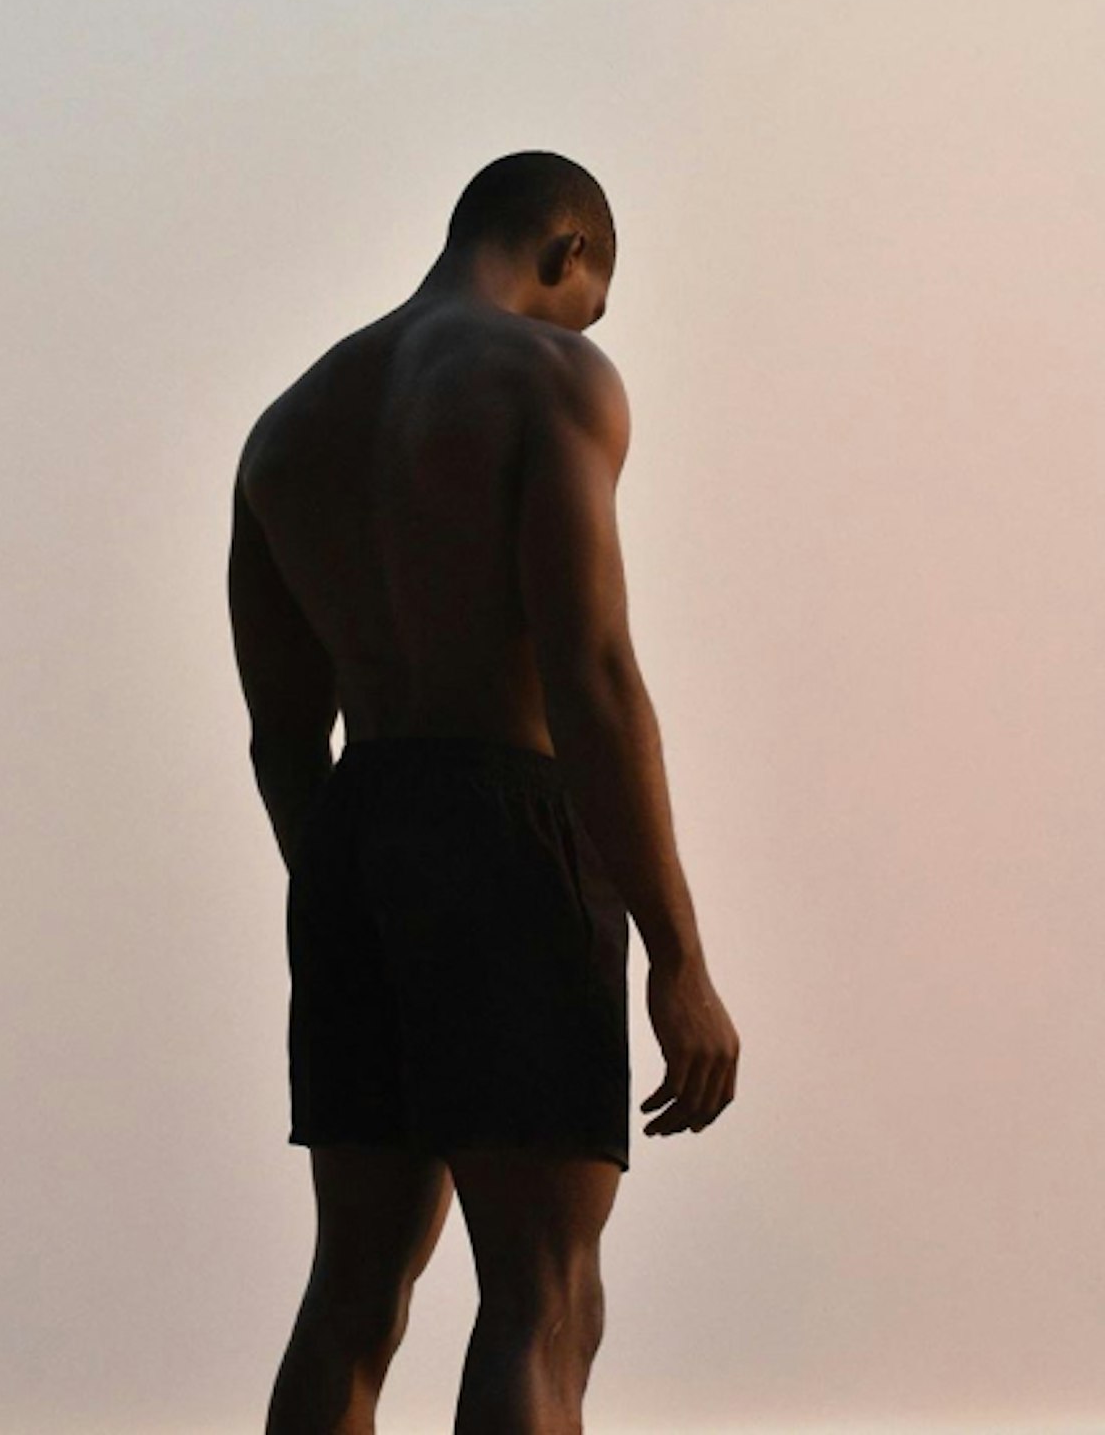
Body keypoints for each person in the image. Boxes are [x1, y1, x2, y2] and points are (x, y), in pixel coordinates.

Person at [227, 148, 740, 1434]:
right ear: (569, 252)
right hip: (507, 822)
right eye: (588, 303)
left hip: (350, 834)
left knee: (351, 1291)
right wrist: (677, 957)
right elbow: (591, 673)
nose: (583, 328)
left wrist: (360, 898)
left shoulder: (286, 428)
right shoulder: (549, 377)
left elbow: (280, 737)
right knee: (541, 1292)